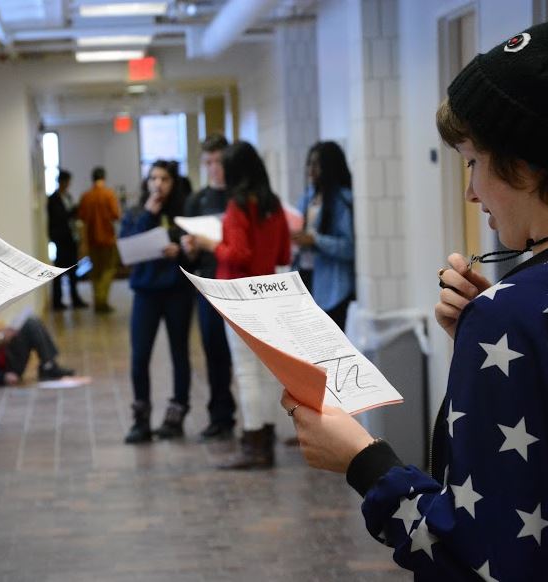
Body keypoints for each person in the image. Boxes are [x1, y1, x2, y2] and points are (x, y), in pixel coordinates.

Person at [282, 22, 548, 580]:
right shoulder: (510, 314)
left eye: (474, 161)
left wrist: (361, 458)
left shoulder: (509, 316)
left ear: (524, 163)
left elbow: (471, 555)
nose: (470, 191)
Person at [183, 142, 290, 468]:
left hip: (240, 296)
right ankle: (266, 439)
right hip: (268, 294)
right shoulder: (274, 206)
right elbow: (284, 255)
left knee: (246, 373)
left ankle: (253, 445)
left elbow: (239, 255)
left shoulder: (237, 207)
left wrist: (213, 244)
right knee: (266, 373)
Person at [121, 161, 195, 443]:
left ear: (173, 182)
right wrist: (149, 215)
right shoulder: (136, 212)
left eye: (164, 179)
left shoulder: (183, 213)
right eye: (153, 178)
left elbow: (195, 251)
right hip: (145, 293)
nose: (158, 184)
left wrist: (181, 251)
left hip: (177, 291)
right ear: (146, 182)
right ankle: (141, 419)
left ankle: (176, 416)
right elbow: (127, 247)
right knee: (140, 356)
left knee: (179, 354)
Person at [184, 134, 236, 441]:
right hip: (207, 283)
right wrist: (190, 246)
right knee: (214, 352)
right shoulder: (197, 200)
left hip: (238, 283)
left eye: (218, 161)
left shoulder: (239, 197)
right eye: (208, 162)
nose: (213, 168)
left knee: (241, 355)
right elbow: (191, 250)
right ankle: (221, 415)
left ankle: (260, 420)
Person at [292, 141, 356, 330]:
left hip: (333, 288)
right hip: (305, 277)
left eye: (316, 164)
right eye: (309, 164)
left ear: (329, 167)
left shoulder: (342, 200)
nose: (311, 170)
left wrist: (315, 240)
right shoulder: (307, 197)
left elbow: (349, 247)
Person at [0, 315, 74, 386]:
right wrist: (2, 376)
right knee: (30, 325)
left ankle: (48, 364)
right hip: (2, 370)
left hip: (2, 356)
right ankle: (48, 367)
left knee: (31, 322)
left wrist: (2, 335)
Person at [77, 166, 121, 313]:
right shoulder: (109, 194)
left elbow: (81, 219)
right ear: (104, 177)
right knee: (108, 269)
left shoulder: (85, 196)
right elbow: (116, 215)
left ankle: (97, 301)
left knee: (95, 271)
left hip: (91, 240)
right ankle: (102, 301)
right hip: (108, 239)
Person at [47, 169, 87, 310]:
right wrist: (74, 211)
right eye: (67, 181)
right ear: (62, 182)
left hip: (71, 238)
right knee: (59, 270)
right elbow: (60, 217)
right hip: (61, 239)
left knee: (73, 270)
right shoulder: (53, 199)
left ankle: (75, 298)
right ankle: (57, 301)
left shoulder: (68, 197)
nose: (69, 184)